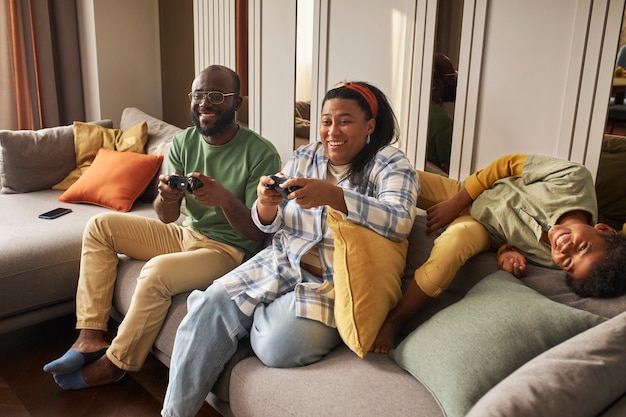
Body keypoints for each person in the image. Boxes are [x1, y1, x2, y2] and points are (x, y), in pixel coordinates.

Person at [160, 81, 419, 417]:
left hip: (334, 281)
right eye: (326, 121)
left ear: (369, 125)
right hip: (280, 261)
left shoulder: (390, 163)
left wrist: (333, 196)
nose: (332, 131)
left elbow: (399, 221)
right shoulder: (305, 156)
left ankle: (233, 322)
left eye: (345, 121)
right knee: (209, 304)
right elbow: (268, 224)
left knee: (274, 345)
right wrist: (266, 203)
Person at [43, 65, 281, 389]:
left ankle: (116, 364)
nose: (204, 103)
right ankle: (91, 336)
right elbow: (166, 217)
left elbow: (258, 232)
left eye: (215, 96)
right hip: (185, 232)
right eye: (198, 95)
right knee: (100, 226)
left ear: (236, 103)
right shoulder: (183, 142)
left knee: (156, 272)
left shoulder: (260, 152)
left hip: (228, 250)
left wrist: (224, 198)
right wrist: (166, 197)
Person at [373, 153, 626, 353]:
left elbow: (510, 237)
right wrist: (456, 202)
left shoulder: (551, 259)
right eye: (583, 247)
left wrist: (506, 251)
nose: (565, 250)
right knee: (393, 175)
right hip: (465, 194)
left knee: (451, 249)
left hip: (480, 228)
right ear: (604, 229)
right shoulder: (574, 179)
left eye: (569, 264)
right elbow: (507, 164)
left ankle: (396, 321)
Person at [426, 53, 457, 174]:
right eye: (452, 77)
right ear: (437, 84)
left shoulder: (412, 110)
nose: (455, 82)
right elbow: (450, 168)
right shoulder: (442, 121)